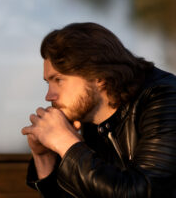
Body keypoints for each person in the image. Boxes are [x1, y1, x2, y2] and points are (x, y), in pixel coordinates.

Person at [21, 22, 176, 197]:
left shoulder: (164, 99)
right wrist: (45, 156)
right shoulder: (92, 121)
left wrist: (66, 142)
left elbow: (146, 192)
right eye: (48, 83)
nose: (49, 96)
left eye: (58, 80)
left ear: (98, 76)